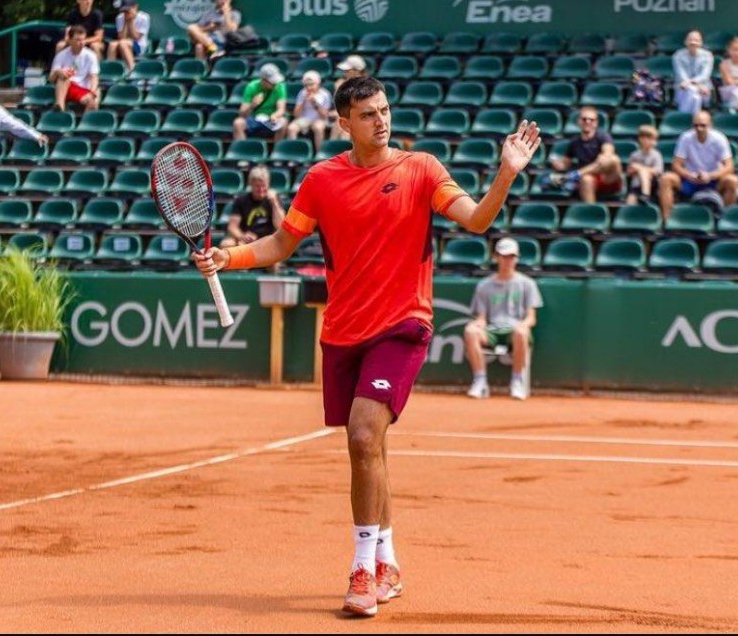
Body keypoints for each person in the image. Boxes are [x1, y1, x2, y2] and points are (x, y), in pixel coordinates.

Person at [190, 76, 540, 618]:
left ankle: (362, 568)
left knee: (362, 433)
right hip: (344, 330)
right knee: (371, 449)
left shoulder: (422, 169)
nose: (381, 120)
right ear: (344, 122)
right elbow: (283, 242)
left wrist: (505, 174)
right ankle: (389, 558)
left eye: (385, 110)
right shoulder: (321, 180)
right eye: (368, 113)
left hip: (403, 325)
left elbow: (476, 220)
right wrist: (228, 257)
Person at [464, 237, 543, 401]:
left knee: (521, 332)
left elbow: (531, 318)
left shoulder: (527, 284)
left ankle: (517, 381)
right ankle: (480, 381)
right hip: (491, 331)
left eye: (512, 257)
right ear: (496, 257)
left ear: (517, 258)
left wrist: (522, 326)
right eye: (504, 256)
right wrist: (477, 324)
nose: (508, 260)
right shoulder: (484, 286)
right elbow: (482, 318)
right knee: (470, 331)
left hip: (515, 331)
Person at [658, 111, 738, 219]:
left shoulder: (719, 139)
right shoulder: (685, 137)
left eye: (703, 125)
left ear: (710, 125)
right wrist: (688, 175)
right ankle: (667, 219)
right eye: (696, 125)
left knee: (733, 181)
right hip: (690, 180)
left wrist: (710, 175)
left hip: (713, 180)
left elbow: (729, 166)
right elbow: (676, 164)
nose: (699, 128)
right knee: (666, 178)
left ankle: (726, 219)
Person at [547, 106, 623, 203]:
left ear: (596, 123)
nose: (588, 122)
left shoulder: (603, 136)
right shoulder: (574, 142)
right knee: (586, 179)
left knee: (612, 159)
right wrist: (558, 164)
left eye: (591, 119)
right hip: (588, 178)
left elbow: (608, 154)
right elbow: (566, 163)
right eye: (584, 119)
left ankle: (577, 174)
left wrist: (578, 173)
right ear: (579, 121)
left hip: (608, 177)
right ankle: (591, 213)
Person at [220, 166, 285, 250]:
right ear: (251, 184)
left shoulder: (274, 200)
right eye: (257, 186)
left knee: (280, 246)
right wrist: (242, 236)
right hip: (247, 240)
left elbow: (280, 226)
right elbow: (232, 227)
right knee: (226, 244)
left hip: (268, 240)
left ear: (268, 184)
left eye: (264, 186)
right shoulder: (241, 201)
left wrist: (274, 203)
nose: (261, 189)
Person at [49, 25, 100, 113]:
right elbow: (51, 79)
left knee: (93, 102)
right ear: (70, 40)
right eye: (78, 40)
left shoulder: (90, 55)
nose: (81, 43)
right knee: (63, 77)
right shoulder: (62, 55)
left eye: (83, 40)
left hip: (82, 88)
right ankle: (60, 108)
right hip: (66, 87)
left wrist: (93, 92)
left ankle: (84, 125)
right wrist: (57, 72)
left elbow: (94, 77)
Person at [232, 64, 287, 141]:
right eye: (272, 82)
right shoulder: (252, 87)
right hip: (254, 118)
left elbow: (281, 109)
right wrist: (252, 105)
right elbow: (242, 113)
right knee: (238, 123)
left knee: (283, 122)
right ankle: (243, 149)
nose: (275, 84)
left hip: (270, 119)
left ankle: (277, 150)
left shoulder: (280, 86)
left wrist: (275, 115)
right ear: (263, 80)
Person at [287, 70, 333, 154]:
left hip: (320, 119)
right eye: (306, 85)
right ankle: (293, 154)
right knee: (291, 128)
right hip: (304, 119)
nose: (308, 87)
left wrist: (315, 103)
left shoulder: (325, 94)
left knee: (318, 127)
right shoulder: (302, 93)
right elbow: (296, 115)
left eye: (311, 84)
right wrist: (303, 102)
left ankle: (320, 154)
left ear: (318, 83)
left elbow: (324, 115)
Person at [673, 30, 714, 114]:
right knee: (694, 95)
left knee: (693, 92)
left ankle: (683, 118)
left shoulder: (708, 55)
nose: (693, 42)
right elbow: (681, 74)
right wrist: (695, 86)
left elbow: (705, 75)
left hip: (704, 89)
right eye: (690, 40)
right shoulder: (678, 55)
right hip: (682, 88)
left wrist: (693, 83)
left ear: (701, 43)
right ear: (685, 42)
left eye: (696, 40)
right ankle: (694, 120)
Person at [330, 55, 368, 141]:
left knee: (342, 127)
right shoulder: (341, 83)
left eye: (347, 70)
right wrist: (339, 89)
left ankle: (331, 145)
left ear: (357, 71)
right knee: (343, 131)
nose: (345, 73)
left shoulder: (366, 85)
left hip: (362, 117)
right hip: (350, 118)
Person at [107, 0, 150, 72]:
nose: (126, 13)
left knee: (123, 43)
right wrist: (126, 22)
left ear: (135, 7)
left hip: (139, 46)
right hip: (123, 43)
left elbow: (136, 37)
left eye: (128, 10)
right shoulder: (120, 18)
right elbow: (121, 37)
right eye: (124, 11)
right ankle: (110, 71)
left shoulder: (144, 17)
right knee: (112, 44)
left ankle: (132, 70)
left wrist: (131, 20)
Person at [625, 124, 663, 205]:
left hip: (652, 185)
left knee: (643, 171)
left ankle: (645, 194)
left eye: (654, 140)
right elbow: (629, 172)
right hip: (636, 185)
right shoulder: (634, 155)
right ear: (641, 139)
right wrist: (635, 169)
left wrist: (641, 168)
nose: (653, 142)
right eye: (650, 139)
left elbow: (658, 171)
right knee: (630, 201)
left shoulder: (656, 155)